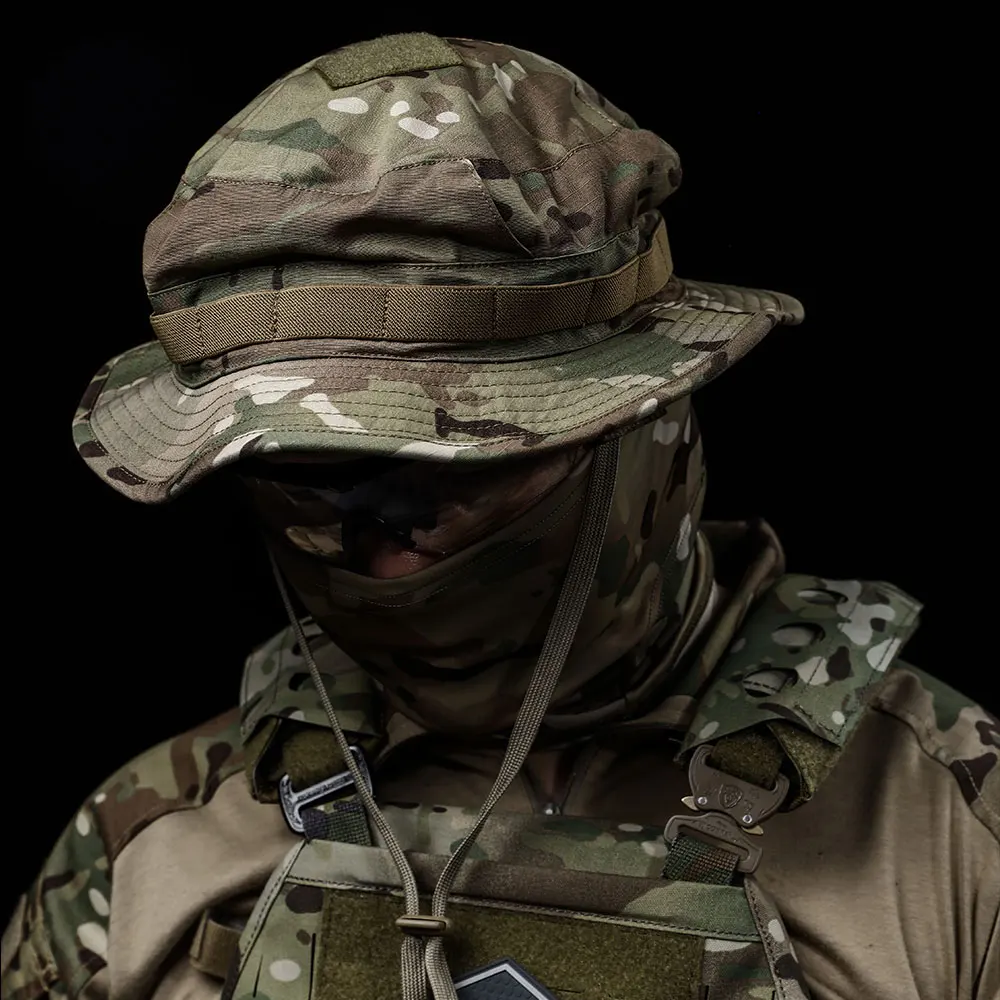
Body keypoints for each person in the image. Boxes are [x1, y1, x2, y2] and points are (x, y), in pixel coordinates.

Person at [2, 31, 997, 1000]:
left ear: (646, 425)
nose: (388, 564)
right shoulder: (151, 845)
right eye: (310, 483)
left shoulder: (955, 831)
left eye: (453, 477)